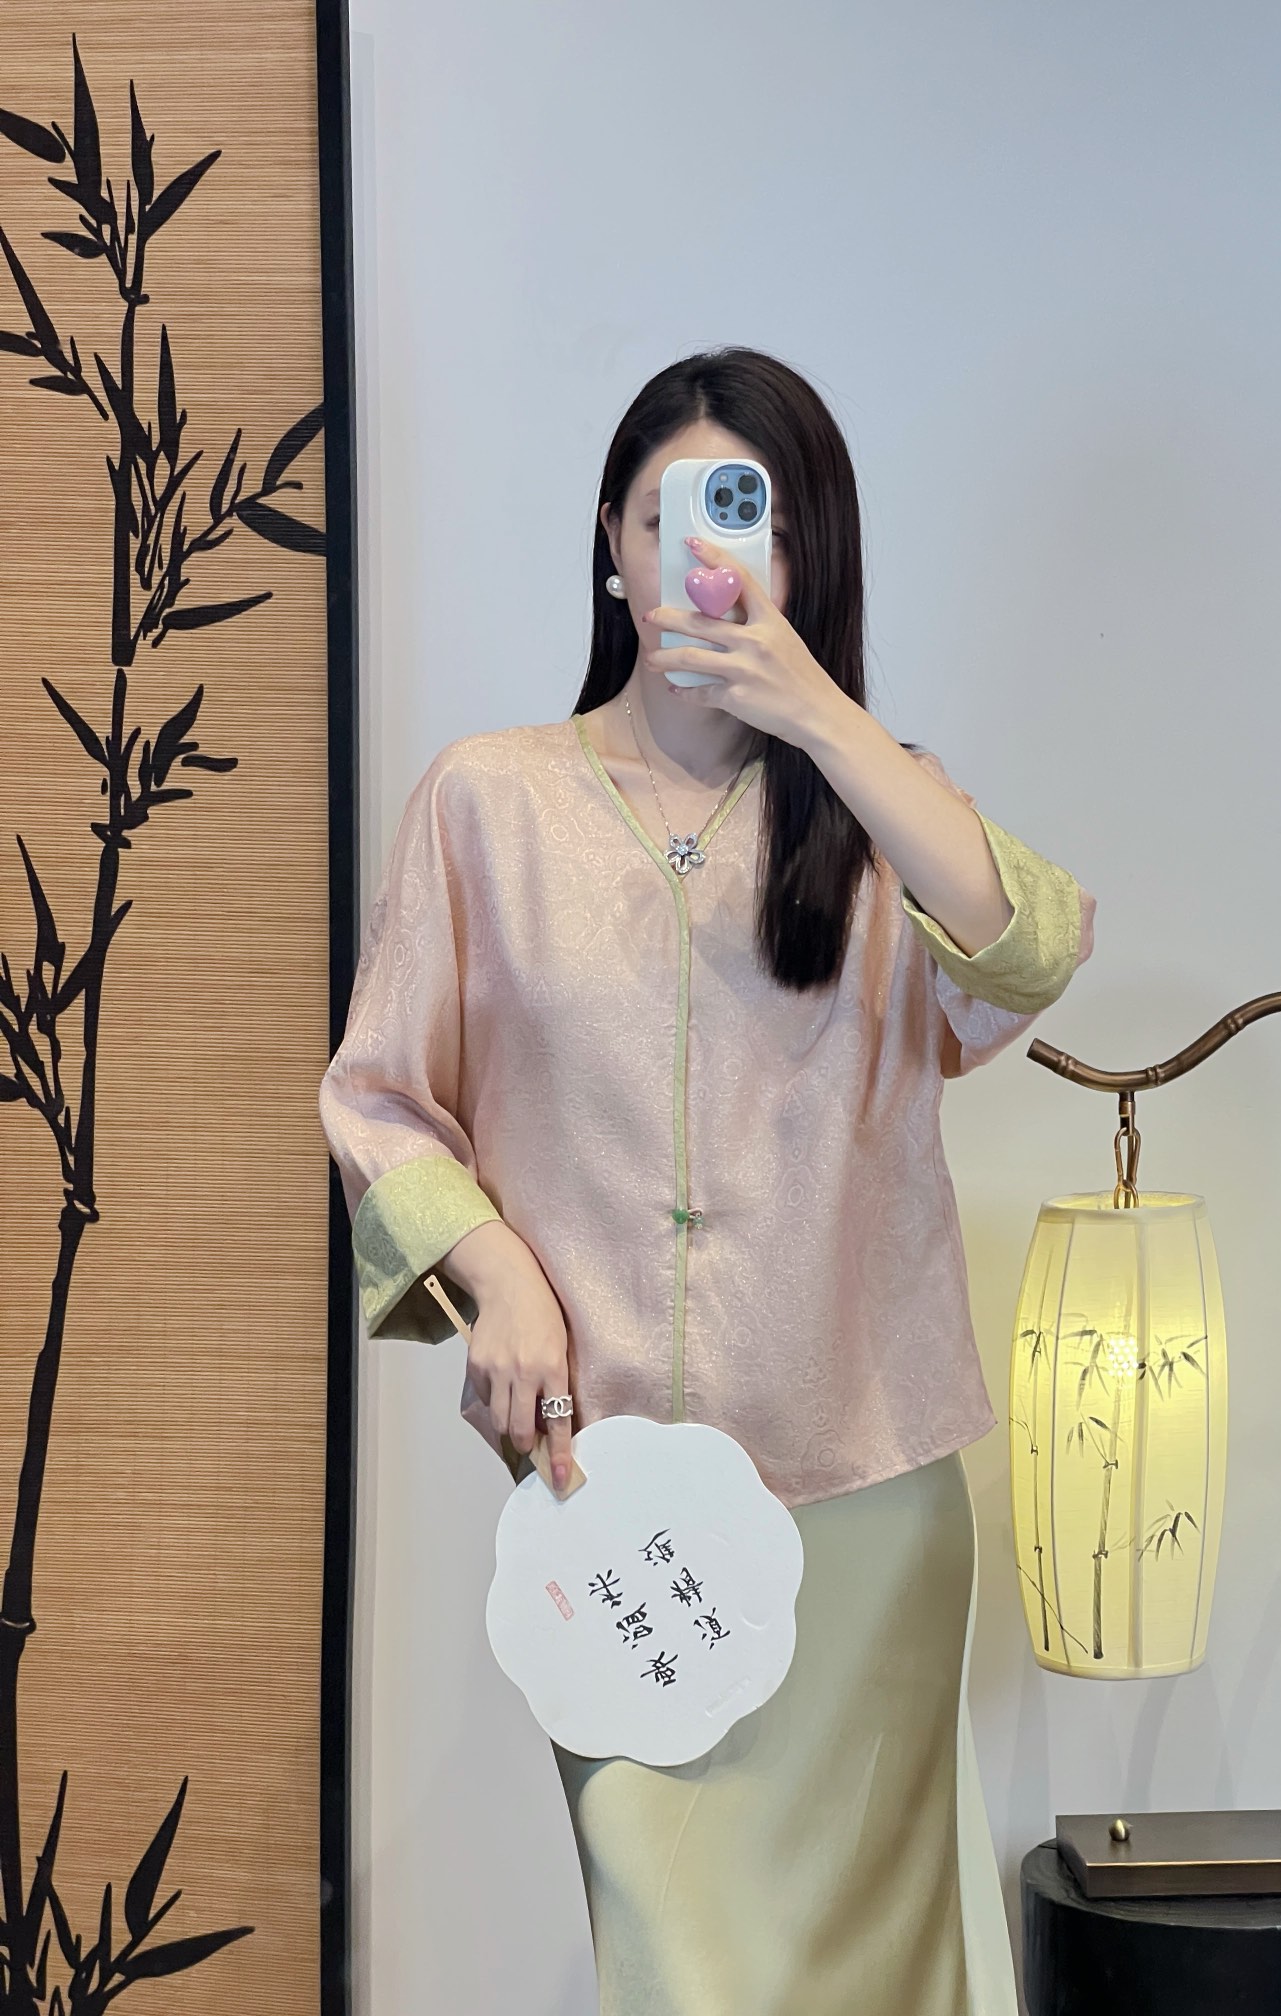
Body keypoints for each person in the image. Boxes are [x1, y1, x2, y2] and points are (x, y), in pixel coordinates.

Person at [318, 345, 1095, 2016]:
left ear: (812, 560)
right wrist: (495, 1276)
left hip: (867, 1494)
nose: (713, 557)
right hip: (615, 1509)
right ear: (612, 543)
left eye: (760, 525)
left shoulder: (879, 814)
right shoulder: (488, 802)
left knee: (874, 1982)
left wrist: (815, 711)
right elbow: (379, 1096)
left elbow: (1029, 953)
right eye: (669, 516)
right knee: (685, 1978)